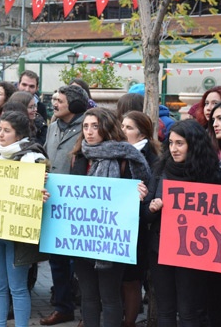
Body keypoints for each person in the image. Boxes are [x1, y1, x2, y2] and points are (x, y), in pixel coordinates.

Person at [70, 108, 150, 327]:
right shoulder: (79, 156)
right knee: (88, 297)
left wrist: (141, 196)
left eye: (95, 126)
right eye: (85, 127)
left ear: (107, 127)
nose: (89, 132)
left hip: (112, 238)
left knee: (110, 297)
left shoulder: (127, 157)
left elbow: (144, 194)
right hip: (82, 237)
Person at [144, 119, 221, 327]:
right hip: (160, 249)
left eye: (179, 143)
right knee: (166, 309)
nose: (173, 149)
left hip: (193, 253)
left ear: (194, 143)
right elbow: (145, 214)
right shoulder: (161, 169)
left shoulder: (211, 175)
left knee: (189, 311)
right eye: (170, 143)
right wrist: (152, 209)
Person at [0, 111, 49, 327]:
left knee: (18, 287)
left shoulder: (34, 159)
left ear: (19, 135)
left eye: (6, 131)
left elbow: (42, 192)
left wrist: (41, 193)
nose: (0, 134)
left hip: (18, 234)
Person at [41, 85, 89, 326]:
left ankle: (88, 314)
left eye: (59, 100)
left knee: (79, 263)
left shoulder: (86, 127)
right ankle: (63, 307)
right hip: (53, 202)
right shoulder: (51, 128)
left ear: (75, 104)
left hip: (78, 205)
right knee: (57, 261)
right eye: (54, 99)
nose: (54, 103)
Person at [120, 111, 160, 327]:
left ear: (142, 132)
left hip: (136, 229)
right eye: (122, 126)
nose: (123, 131)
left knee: (131, 280)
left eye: (129, 128)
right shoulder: (119, 152)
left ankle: (129, 322)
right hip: (117, 225)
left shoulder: (151, 158)